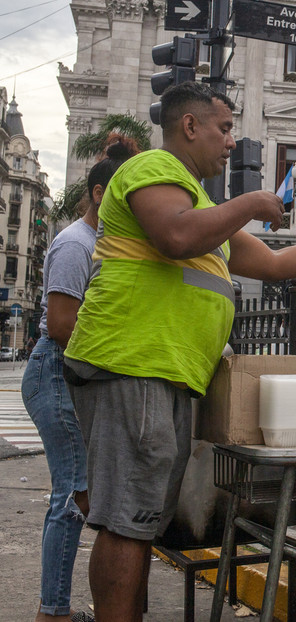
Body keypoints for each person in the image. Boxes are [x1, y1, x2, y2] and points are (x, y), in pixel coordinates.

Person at [62, 81, 296, 621]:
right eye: (225, 128)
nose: (232, 141)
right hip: (134, 364)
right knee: (126, 520)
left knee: (138, 521)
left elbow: (279, 264)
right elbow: (176, 238)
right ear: (190, 127)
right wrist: (253, 202)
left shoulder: (201, 205)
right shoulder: (150, 171)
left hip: (164, 372)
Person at [23, 135, 140, 622]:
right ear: (98, 194)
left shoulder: (107, 242)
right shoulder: (75, 244)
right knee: (72, 495)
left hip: (75, 376)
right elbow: (61, 325)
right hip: (57, 372)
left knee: (79, 493)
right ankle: (53, 612)